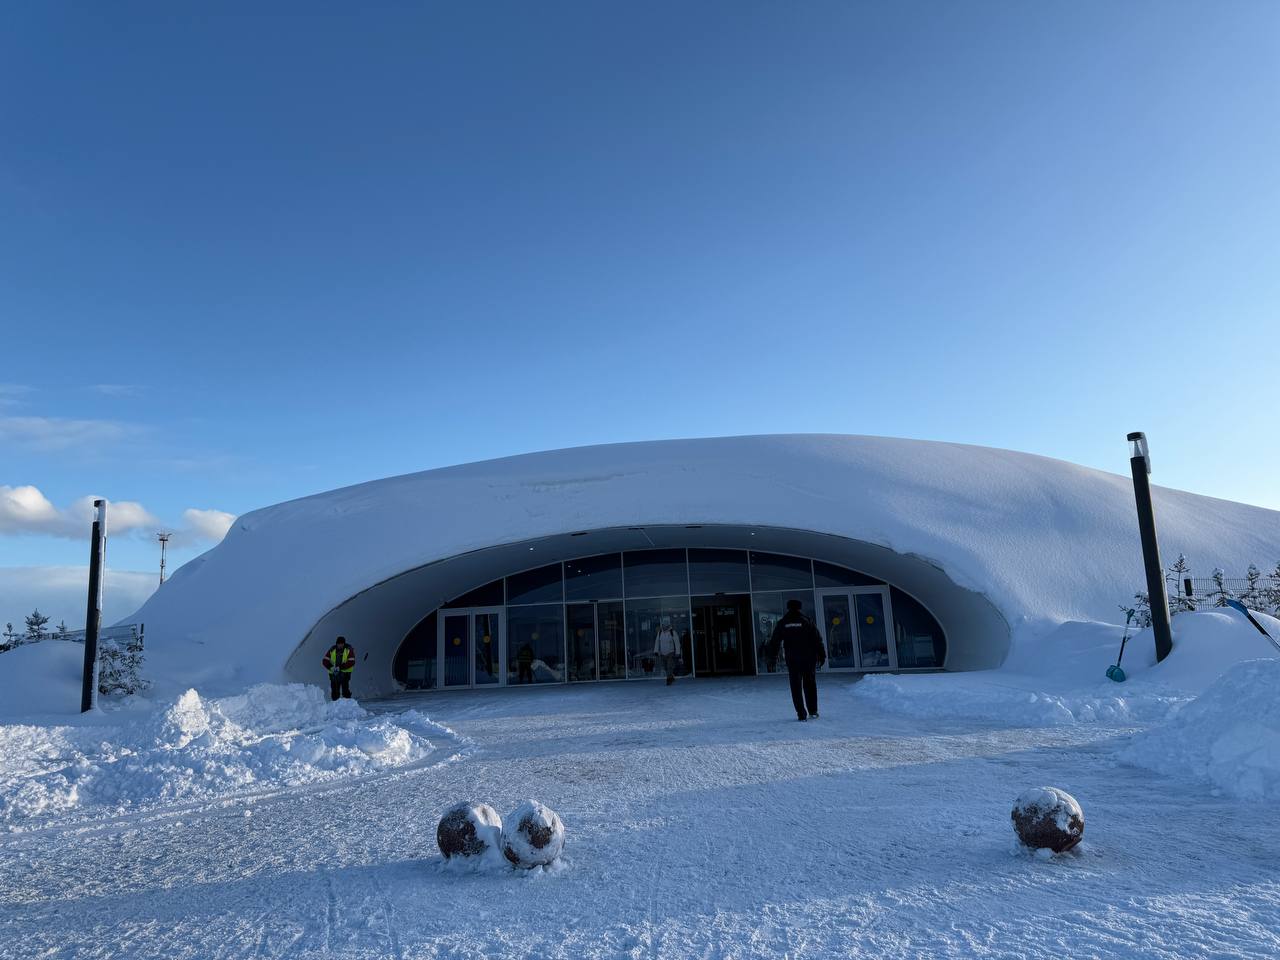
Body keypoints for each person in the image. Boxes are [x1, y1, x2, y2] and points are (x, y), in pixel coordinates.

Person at [768, 599, 826, 721]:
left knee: (796, 686)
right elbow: (817, 639)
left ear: (788, 608)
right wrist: (822, 654)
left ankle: (801, 714)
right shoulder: (807, 621)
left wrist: (772, 658)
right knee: (809, 683)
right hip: (808, 657)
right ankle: (813, 710)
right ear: (800, 608)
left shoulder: (783, 622)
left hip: (792, 658)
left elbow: (775, 642)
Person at [322, 636, 356, 701]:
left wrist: (340, 667)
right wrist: (331, 667)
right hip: (334, 673)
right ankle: (335, 704)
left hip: (345, 673)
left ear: (344, 644)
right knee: (334, 690)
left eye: (342, 644)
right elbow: (325, 661)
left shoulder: (348, 650)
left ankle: (348, 704)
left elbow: (351, 661)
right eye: (339, 643)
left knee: (345, 689)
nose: (340, 645)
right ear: (336, 643)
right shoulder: (332, 650)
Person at [652, 616, 682, 685]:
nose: (664, 626)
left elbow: (677, 643)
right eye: (663, 625)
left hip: (670, 652)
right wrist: (656, 651)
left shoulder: (673, 632)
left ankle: (669, 680)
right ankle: (671, 677)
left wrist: (678, 652)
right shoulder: (660, 633)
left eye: (665, 625)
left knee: (669, 666)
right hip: (663, 653)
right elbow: (657, 642)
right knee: (665, 667)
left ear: (668, 625)